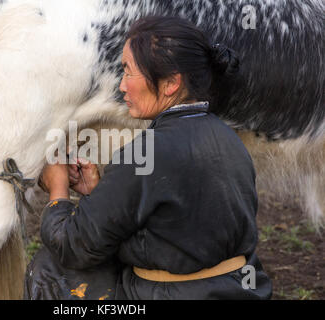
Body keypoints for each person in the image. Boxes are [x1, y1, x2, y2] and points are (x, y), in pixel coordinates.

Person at [24, 16, 272, 300]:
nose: (122, 86)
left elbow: (74, 245)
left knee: (51, 268)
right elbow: (174, 228)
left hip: (171, 295)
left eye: (129, 72)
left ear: (170, 84)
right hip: (240, 290)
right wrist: (99, 193)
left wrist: (57, 191)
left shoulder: (146, 152)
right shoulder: (228, 138)